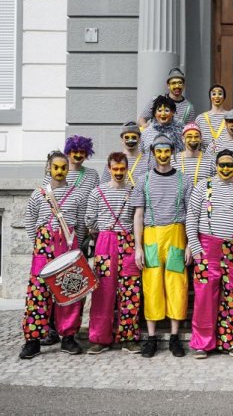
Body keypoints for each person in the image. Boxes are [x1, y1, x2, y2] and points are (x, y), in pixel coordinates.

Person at [187, 149, 233, 359]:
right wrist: (196, 248)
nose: (226, 168)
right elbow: (191, 218)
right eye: (222, 165)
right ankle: (202, 343)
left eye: (230, 165)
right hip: (207, 249)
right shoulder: (203, 187)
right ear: (216, 166)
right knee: (204, 298)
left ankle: (232, 341)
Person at [132, 134, 193, 358]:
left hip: (176, 235)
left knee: (177, 284)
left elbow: (192, 215)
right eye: (159, 151)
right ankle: (152, 338)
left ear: (172, 152)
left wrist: (190, 244)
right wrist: (138, 247)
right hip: (151, 236)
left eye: (167, 151)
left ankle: (175, 338)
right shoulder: (144, 180)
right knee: (152, 285)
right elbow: (138, 215)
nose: (163, 155)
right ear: (153, 153)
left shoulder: (185, 180)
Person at [20, 151, 85, 359]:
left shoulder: (77, 194)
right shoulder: (38, 194)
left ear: (68, 169)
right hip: (44, 246)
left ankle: (68, 337)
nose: (59, 171)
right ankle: (33, 340)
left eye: (63, 167)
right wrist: (40, 242)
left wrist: (73, 242)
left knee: (70, 290)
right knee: (38, 292)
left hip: (68, 244)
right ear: (49, 168)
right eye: (55, 167)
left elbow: (81, 224)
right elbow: (30, 221)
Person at [86, 152, 141, 354]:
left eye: (122, 169)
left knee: (130, 290)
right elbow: (90, 220)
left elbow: (138, 219)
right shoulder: (97, 192)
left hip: (128, 242)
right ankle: (99, 338)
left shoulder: (134, 191)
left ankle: (128, 338)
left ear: (127, 169)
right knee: (103, 290)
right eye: (115, 169)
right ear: (109, 169)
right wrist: (103, 232)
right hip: (105, 242)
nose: (118, 172)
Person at [140, 95, 185, 166]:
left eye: (166, 110)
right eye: (160, 111)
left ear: (173, 112)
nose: (163, 114)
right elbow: (140, 156)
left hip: (176, 170)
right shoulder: (146, 133)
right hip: (151, 170)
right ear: (154, 113)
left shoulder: (181, 131)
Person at [100, 122, 147, 187]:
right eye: (127, 137)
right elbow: (103, 186)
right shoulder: (113, 160)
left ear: (139, 140)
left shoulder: (148, 160)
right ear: (122, 140)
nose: (130, 140)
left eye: (134, 137)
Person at [195, 84, 228, 151]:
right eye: (214, 94)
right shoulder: (200, 118)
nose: (217, 96)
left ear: (224, 97)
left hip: (226, 155)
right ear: (210, 97)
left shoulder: (231, 117)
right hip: (205, 155)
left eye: (220, 94)